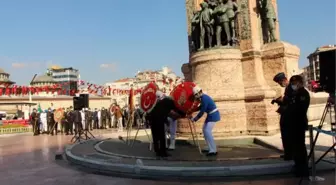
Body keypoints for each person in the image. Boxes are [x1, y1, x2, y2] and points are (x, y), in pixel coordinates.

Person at [148, 91, 185, 157]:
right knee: (162, 136)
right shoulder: (170, 102)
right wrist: (184, 114)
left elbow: (161, 111)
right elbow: (176, 109)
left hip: (153, 120)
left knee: (155, 136)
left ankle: (157, 151)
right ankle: (163, 152)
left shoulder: (158, 103)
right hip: (159, 120)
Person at [287, 75, 310, 177]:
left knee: (300, 146)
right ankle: (298, 166)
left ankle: (303, 169)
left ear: (300, 83)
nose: (293, 85)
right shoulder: (294, 94)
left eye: (295, 83)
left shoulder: (303, 94)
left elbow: (301, 109)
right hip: (293, 124)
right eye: (292, 83)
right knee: (295, 147)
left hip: (299, 123)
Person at [189, 86, 220, 156]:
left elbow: (202, 111)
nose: (196, 97)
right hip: (211, 115)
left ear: (198, 93)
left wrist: (195, 119)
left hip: (213, 115)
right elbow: (200, 107)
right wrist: (192, 110)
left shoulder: (204, 98)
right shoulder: (203, 98)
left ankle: (213, 150)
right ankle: (209, 147)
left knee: (207, 131)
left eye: (196, 95)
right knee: (204, 130)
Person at [272, 72, 293, 160]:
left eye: (280, 82)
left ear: (284, 80)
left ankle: (290, 154)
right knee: (285, 136)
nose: (280, 84)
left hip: (289, 116)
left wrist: (279, 101)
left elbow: (289, 102)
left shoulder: (290, 88)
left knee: (288, 136)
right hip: (286, 115)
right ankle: (288, 153)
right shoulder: (288, 88)